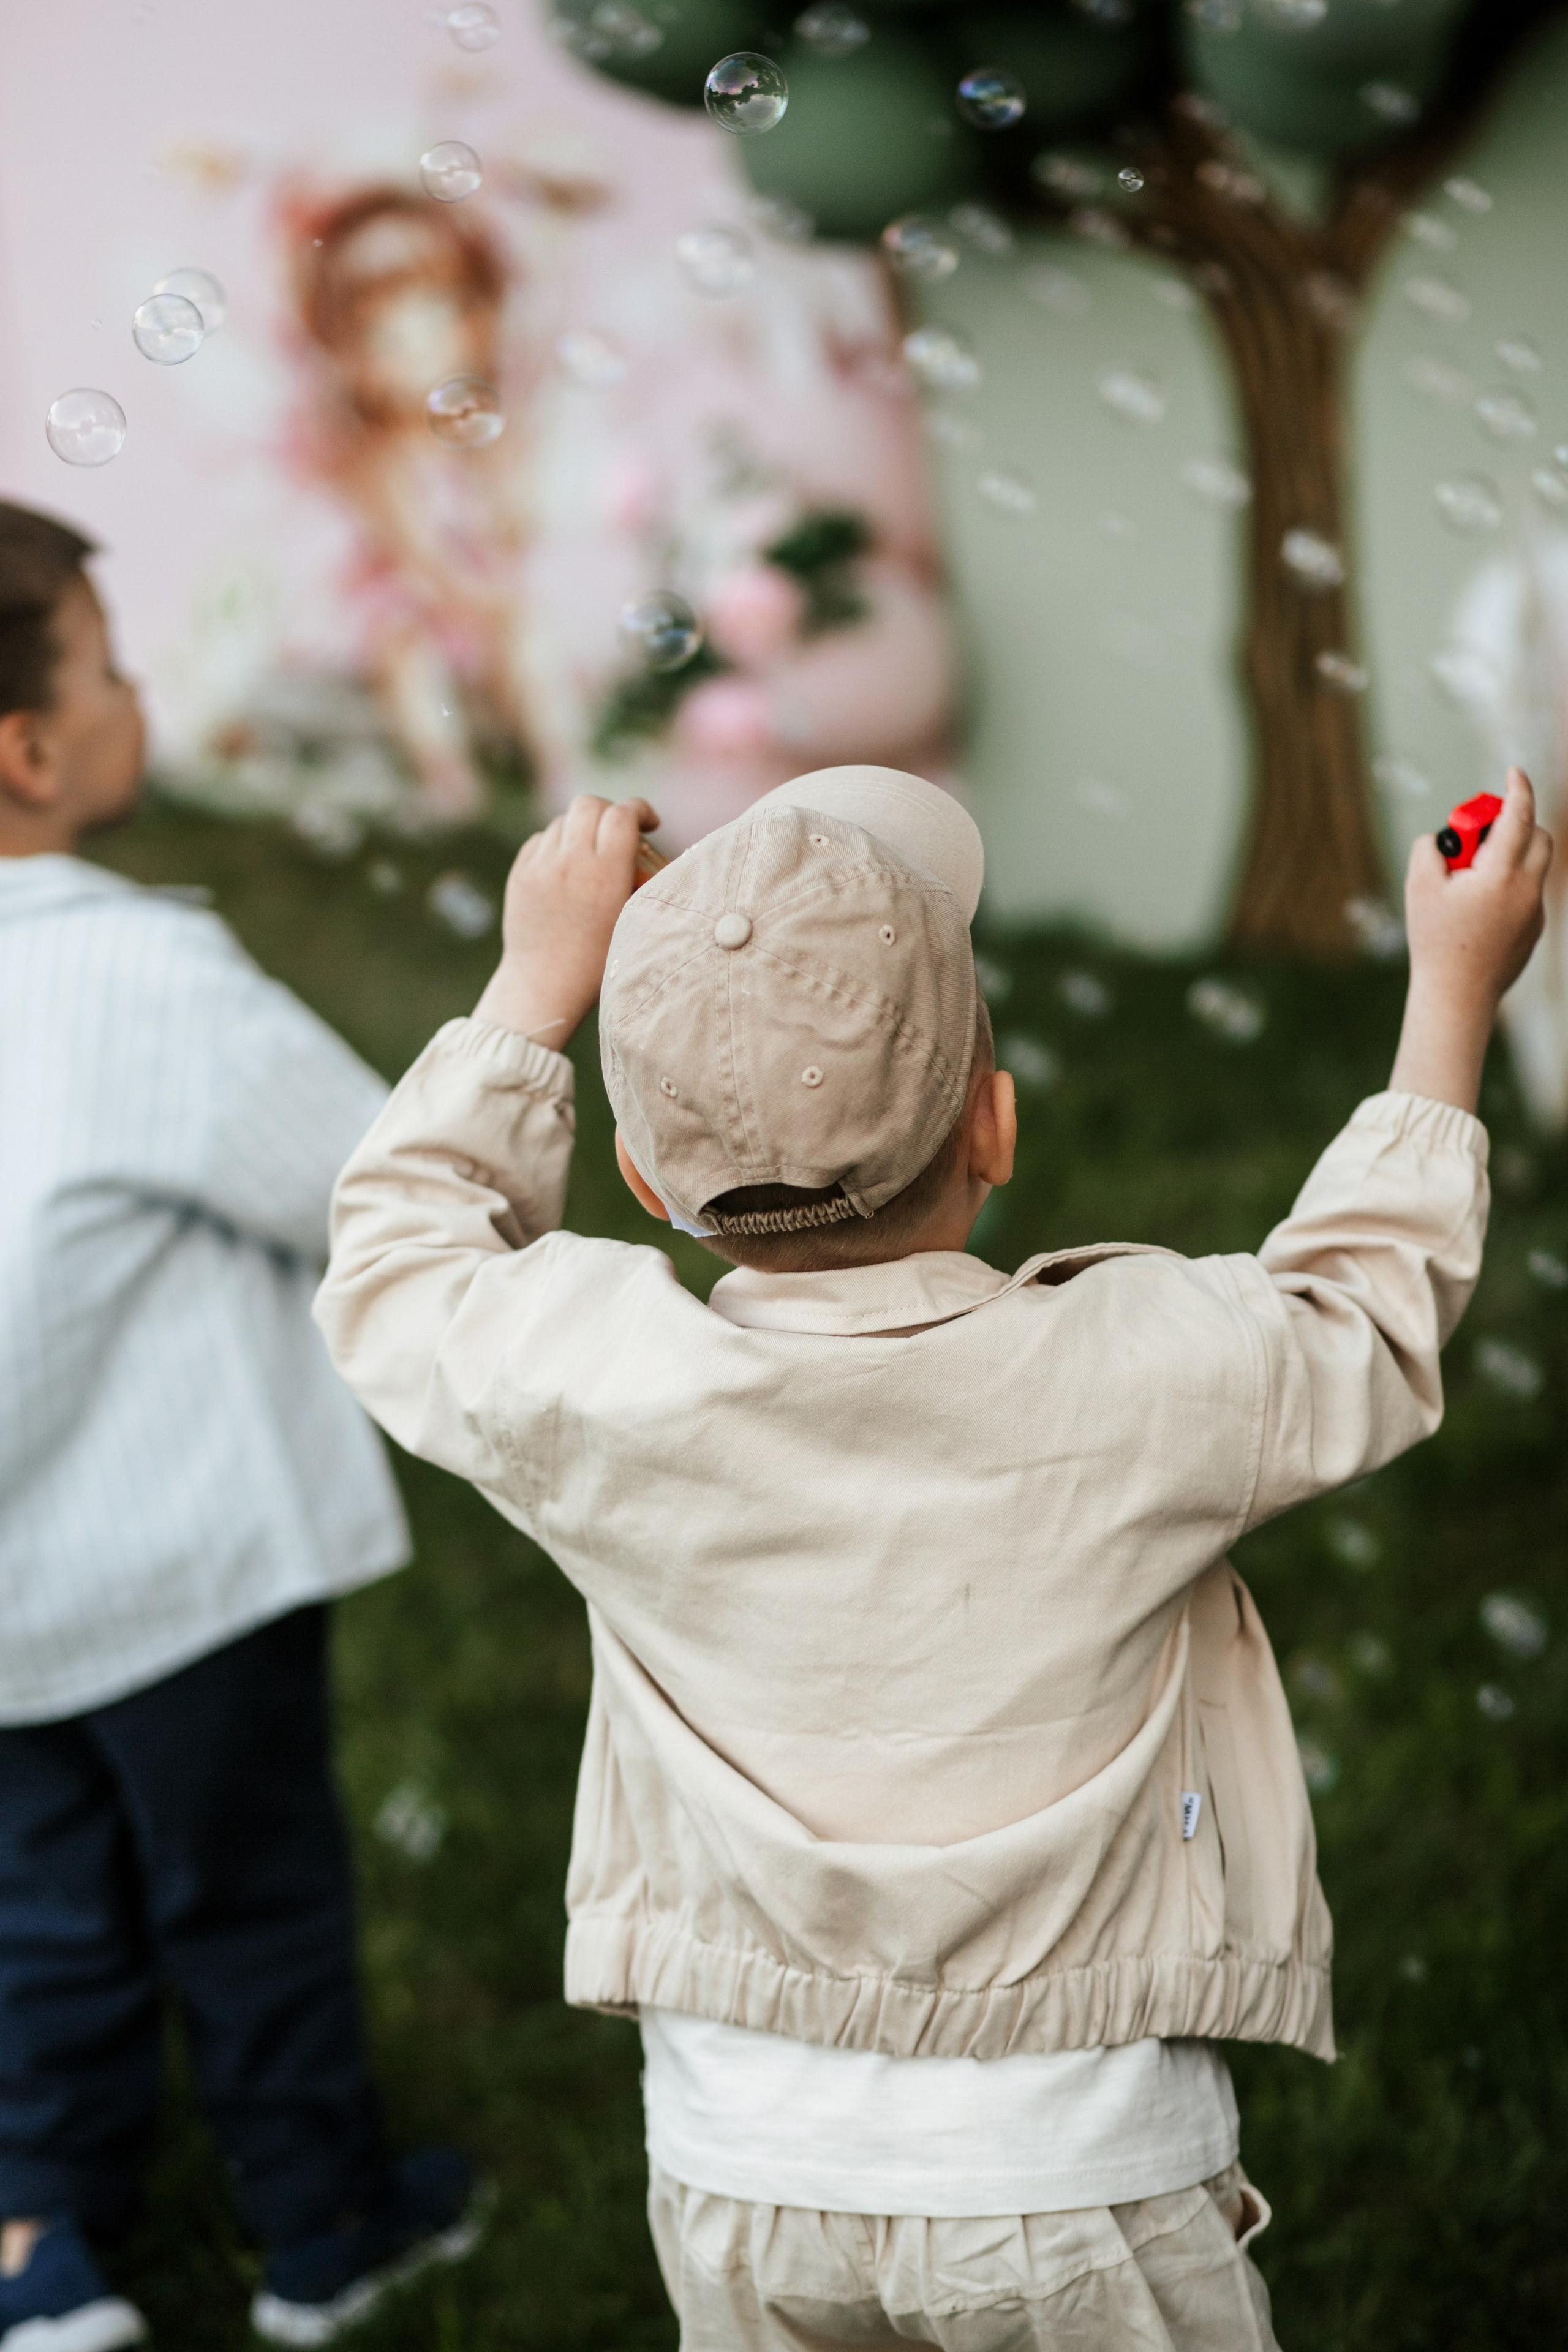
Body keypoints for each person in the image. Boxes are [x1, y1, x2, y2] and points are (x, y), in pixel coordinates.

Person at [315, 763, 1550, 2351]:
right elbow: (1362, 1309)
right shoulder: (1139, 1377)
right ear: (996, 1122)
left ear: (643, 1186)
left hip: (744, 2168)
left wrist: (530, 988)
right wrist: (1452, 987)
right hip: (1079, 2171)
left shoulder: (595, 1387)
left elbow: (398, 1257)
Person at [0, 503, 481, 2350]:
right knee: (251, 1894)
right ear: (32, 755)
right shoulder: (142, 979)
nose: (138, 695)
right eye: (109, 668)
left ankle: (45, 2248)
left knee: (43, 1910)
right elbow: (373, 1181)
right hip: (182, 1572)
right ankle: (322, 2228)